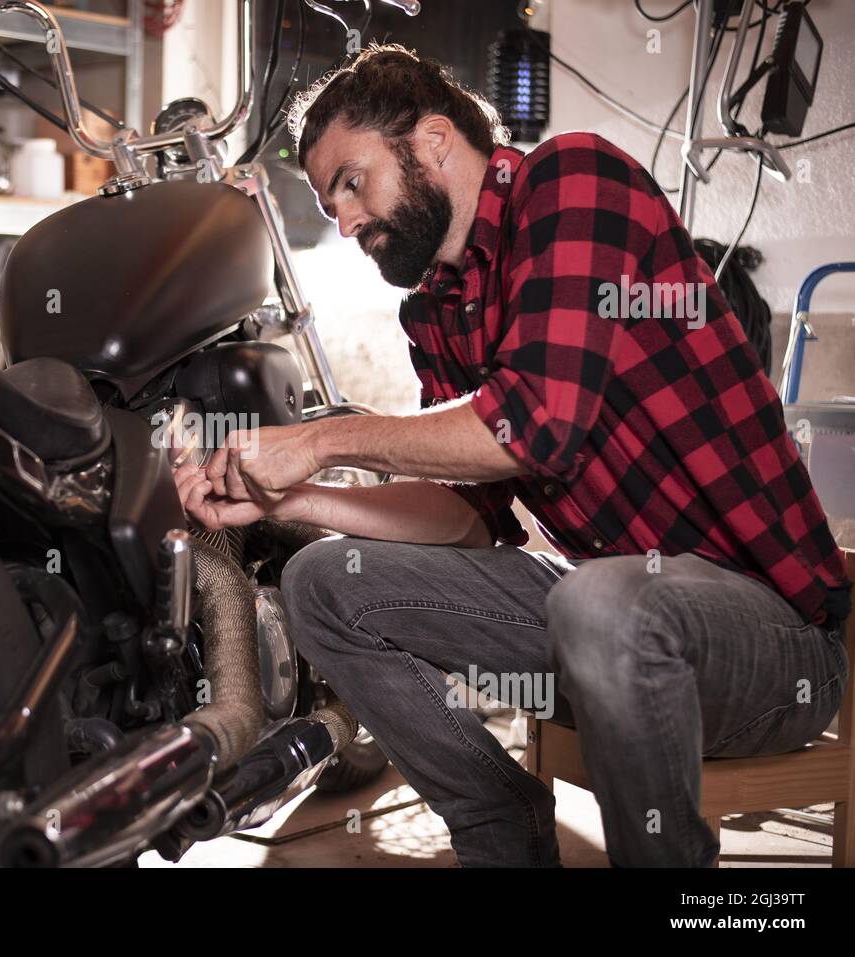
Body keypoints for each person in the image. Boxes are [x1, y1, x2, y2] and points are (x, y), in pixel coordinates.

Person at [174, 45, 850, 866]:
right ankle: (506, 838)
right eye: (329, 204)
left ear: (431, 141)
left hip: (769, 645)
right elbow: (464, 520)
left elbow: (535, 427)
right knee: (321, 582)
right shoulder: (434, 313)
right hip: (600, 618)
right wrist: (290, 501)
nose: (345, 221)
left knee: (601, 603)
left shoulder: (572, 182)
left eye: (352, 182)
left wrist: (317, 437)